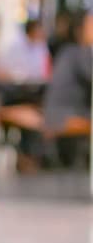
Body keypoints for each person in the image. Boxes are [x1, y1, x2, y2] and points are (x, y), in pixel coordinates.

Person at [42, 11, 93, 166]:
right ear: (80, 30)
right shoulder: (80, 53)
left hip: (55, 112)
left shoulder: (68, 51)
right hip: (66, 114)